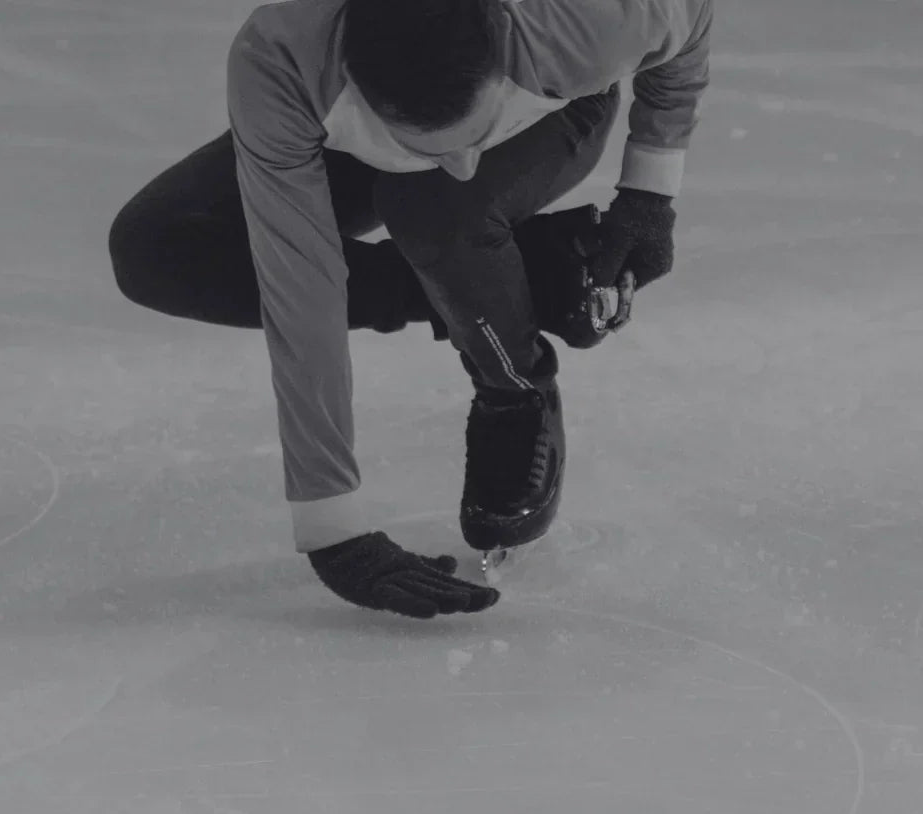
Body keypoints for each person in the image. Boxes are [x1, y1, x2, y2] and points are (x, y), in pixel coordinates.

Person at [108, 0, 711, 619]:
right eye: (427, 146)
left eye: (475, 135)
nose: (464, 165)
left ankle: (513, 384)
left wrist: (649, 191)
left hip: (554, 108)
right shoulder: (283, 66)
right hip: (344, 122)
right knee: (159, 246)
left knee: (435, 206)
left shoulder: (583, 23)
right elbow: (302, 295)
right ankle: (498, 286)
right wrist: (332, 527)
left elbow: (688, 19)